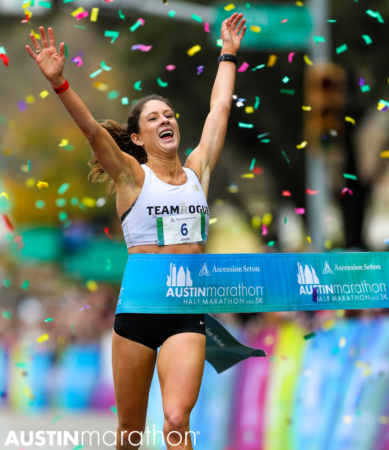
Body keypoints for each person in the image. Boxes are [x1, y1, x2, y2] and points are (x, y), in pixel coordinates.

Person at [26, 13, 247, 450]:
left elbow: (219, 108)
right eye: (154, 118)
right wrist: (59, 83)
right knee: (129, 435)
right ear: (140, 137)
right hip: (138, 313)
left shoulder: (198, 169)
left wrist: (228, 53)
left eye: (170, 114)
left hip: (186, 310)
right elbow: (92, 132)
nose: (167, 120)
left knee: (176, 418)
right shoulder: (132, 177)